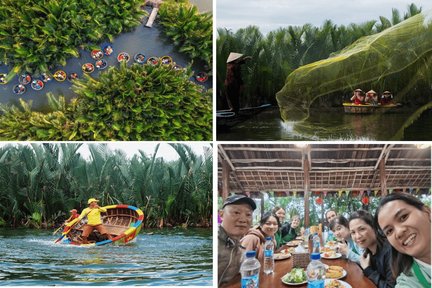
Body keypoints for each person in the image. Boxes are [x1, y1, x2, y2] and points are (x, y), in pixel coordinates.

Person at [375, 192, 431, 288]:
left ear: (427, 212)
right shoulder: (407, 282)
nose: (399, 232)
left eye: (403, 217)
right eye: (389, 231)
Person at [349, 210, 396, 288]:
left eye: (362, 229)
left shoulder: (389, 250)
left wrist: (368, 270)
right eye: (353, 232)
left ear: (374, 227)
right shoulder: (368, 252)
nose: (357, 236)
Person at [218, 194, 256, 287]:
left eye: (248, 215)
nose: (243, 220)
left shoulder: (238, 246)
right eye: (236, 212)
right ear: (221, 214)